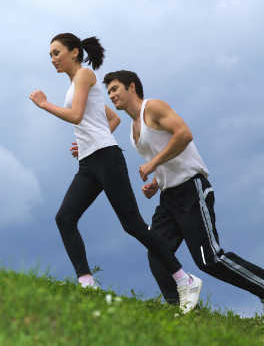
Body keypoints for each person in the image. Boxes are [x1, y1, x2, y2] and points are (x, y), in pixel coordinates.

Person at [29, 33, 202, 313]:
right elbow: (113, 118)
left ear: (75, 52)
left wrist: (43, 104)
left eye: (56, 53)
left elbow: (75, 116)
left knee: (132, 224)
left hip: (107, 159)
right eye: (50, 55)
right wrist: (87, 141)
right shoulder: (76, 84)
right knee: (65, 217)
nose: (52, 59)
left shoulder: (84, 75)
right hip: (89, 161)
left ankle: (185, 279)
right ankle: (87, 283)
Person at [103, 70, 264, 307]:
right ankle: (182, 310)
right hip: (169, 198)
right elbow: (164, 154)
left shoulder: (154, 108)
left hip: (191, 190)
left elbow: (184, 135)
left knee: (209, 259)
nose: (111, 95)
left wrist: (153, 164)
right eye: (108, 92)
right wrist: (156, 183)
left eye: (115, 89)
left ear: (132, 87)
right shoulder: (133, 129)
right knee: (158, 254)